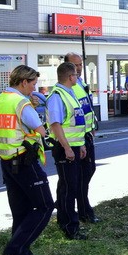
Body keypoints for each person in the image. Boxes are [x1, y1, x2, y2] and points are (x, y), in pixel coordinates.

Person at [0, 65, 53, 255]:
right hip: (25, 159)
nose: (34, 88)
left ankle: (21, 252)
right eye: (33, 84)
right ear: (23, 82)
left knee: (20, 210)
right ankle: (15, 248)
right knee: (45, 206)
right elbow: (41, 130)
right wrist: (33, 108)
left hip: (6, 161)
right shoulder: (21, 103)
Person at [47, 62, 88, 240]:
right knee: (68, 189)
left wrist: (82, 144)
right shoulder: (58, 96)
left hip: (75, 146)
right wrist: (67, 147)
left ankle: (67, 222)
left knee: (70, 186)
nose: (77, 77)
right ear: (70, 77)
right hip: (66, 148)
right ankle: (70, 227)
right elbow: (55, 125)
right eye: (76, 75)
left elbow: (77, 121)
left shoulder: (69, 93)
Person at [65, 52, 100, 224]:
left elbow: (87, 109)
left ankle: (84, 208)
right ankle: (82, 210)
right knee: (78, 177)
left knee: (89, 171)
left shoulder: (81, 83)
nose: (78, 68)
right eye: (75, 65)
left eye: (80, 65)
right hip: (76, 138)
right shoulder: (68, 87)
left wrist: (93, 127)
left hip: (86, 135)